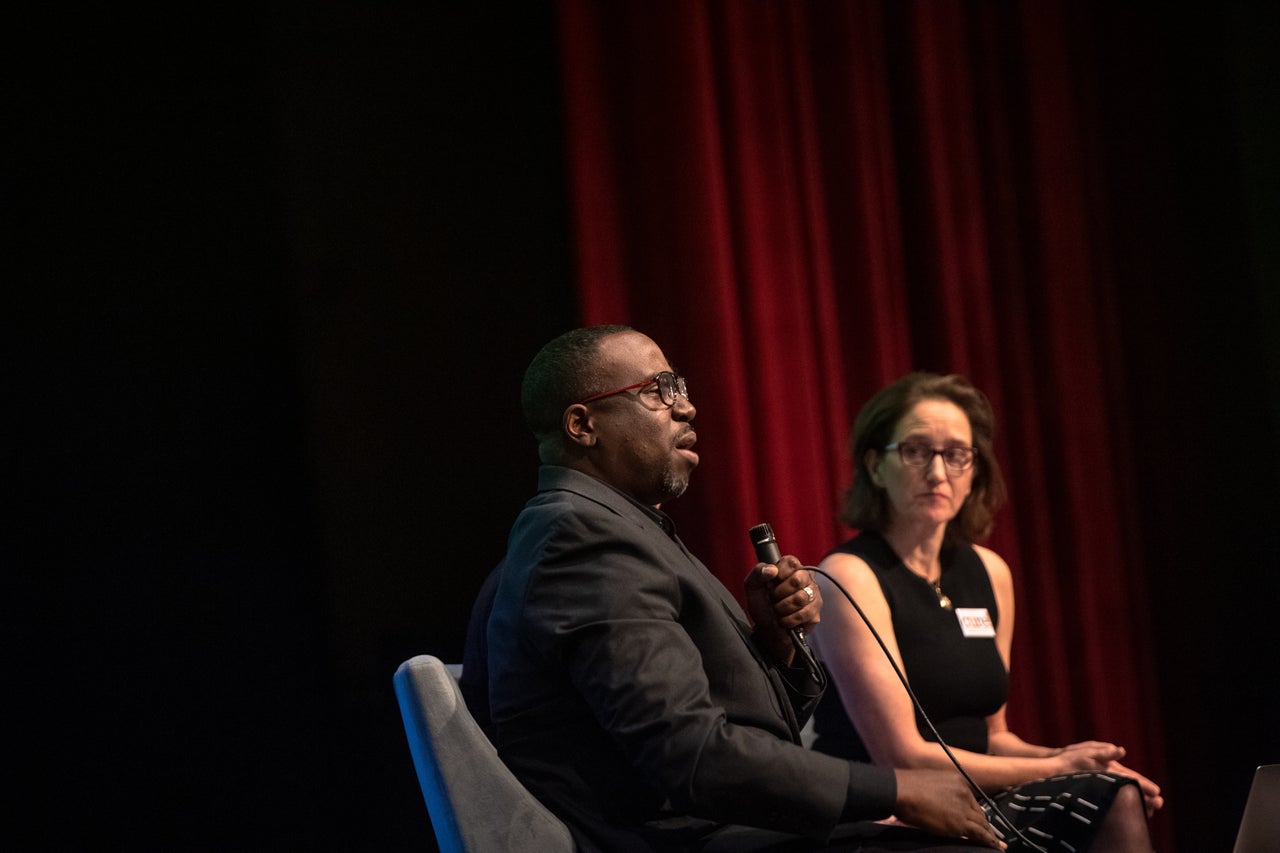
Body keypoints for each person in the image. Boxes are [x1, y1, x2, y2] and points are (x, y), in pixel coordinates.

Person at [486, 326, 1004, 852]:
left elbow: (745, 729)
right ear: (582, 425)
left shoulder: (622, 529)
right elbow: (689, 755)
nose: (686, 407)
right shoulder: (581, 540)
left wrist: (774, 643)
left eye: (681, 387)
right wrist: (893, 789)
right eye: (658, 390)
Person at [809, 372, 1163, 852]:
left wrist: (1073, 758)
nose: (938, 473)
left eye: (955, 454)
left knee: (1114, 793)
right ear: (875, 466)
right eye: (916, 451)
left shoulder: (989, 572)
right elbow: (900, 754)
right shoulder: (849, 576)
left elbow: (993, 737)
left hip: (978, 794)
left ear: (974, 469)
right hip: (894, 809)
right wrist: (1057, 768)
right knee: (1103, 800)